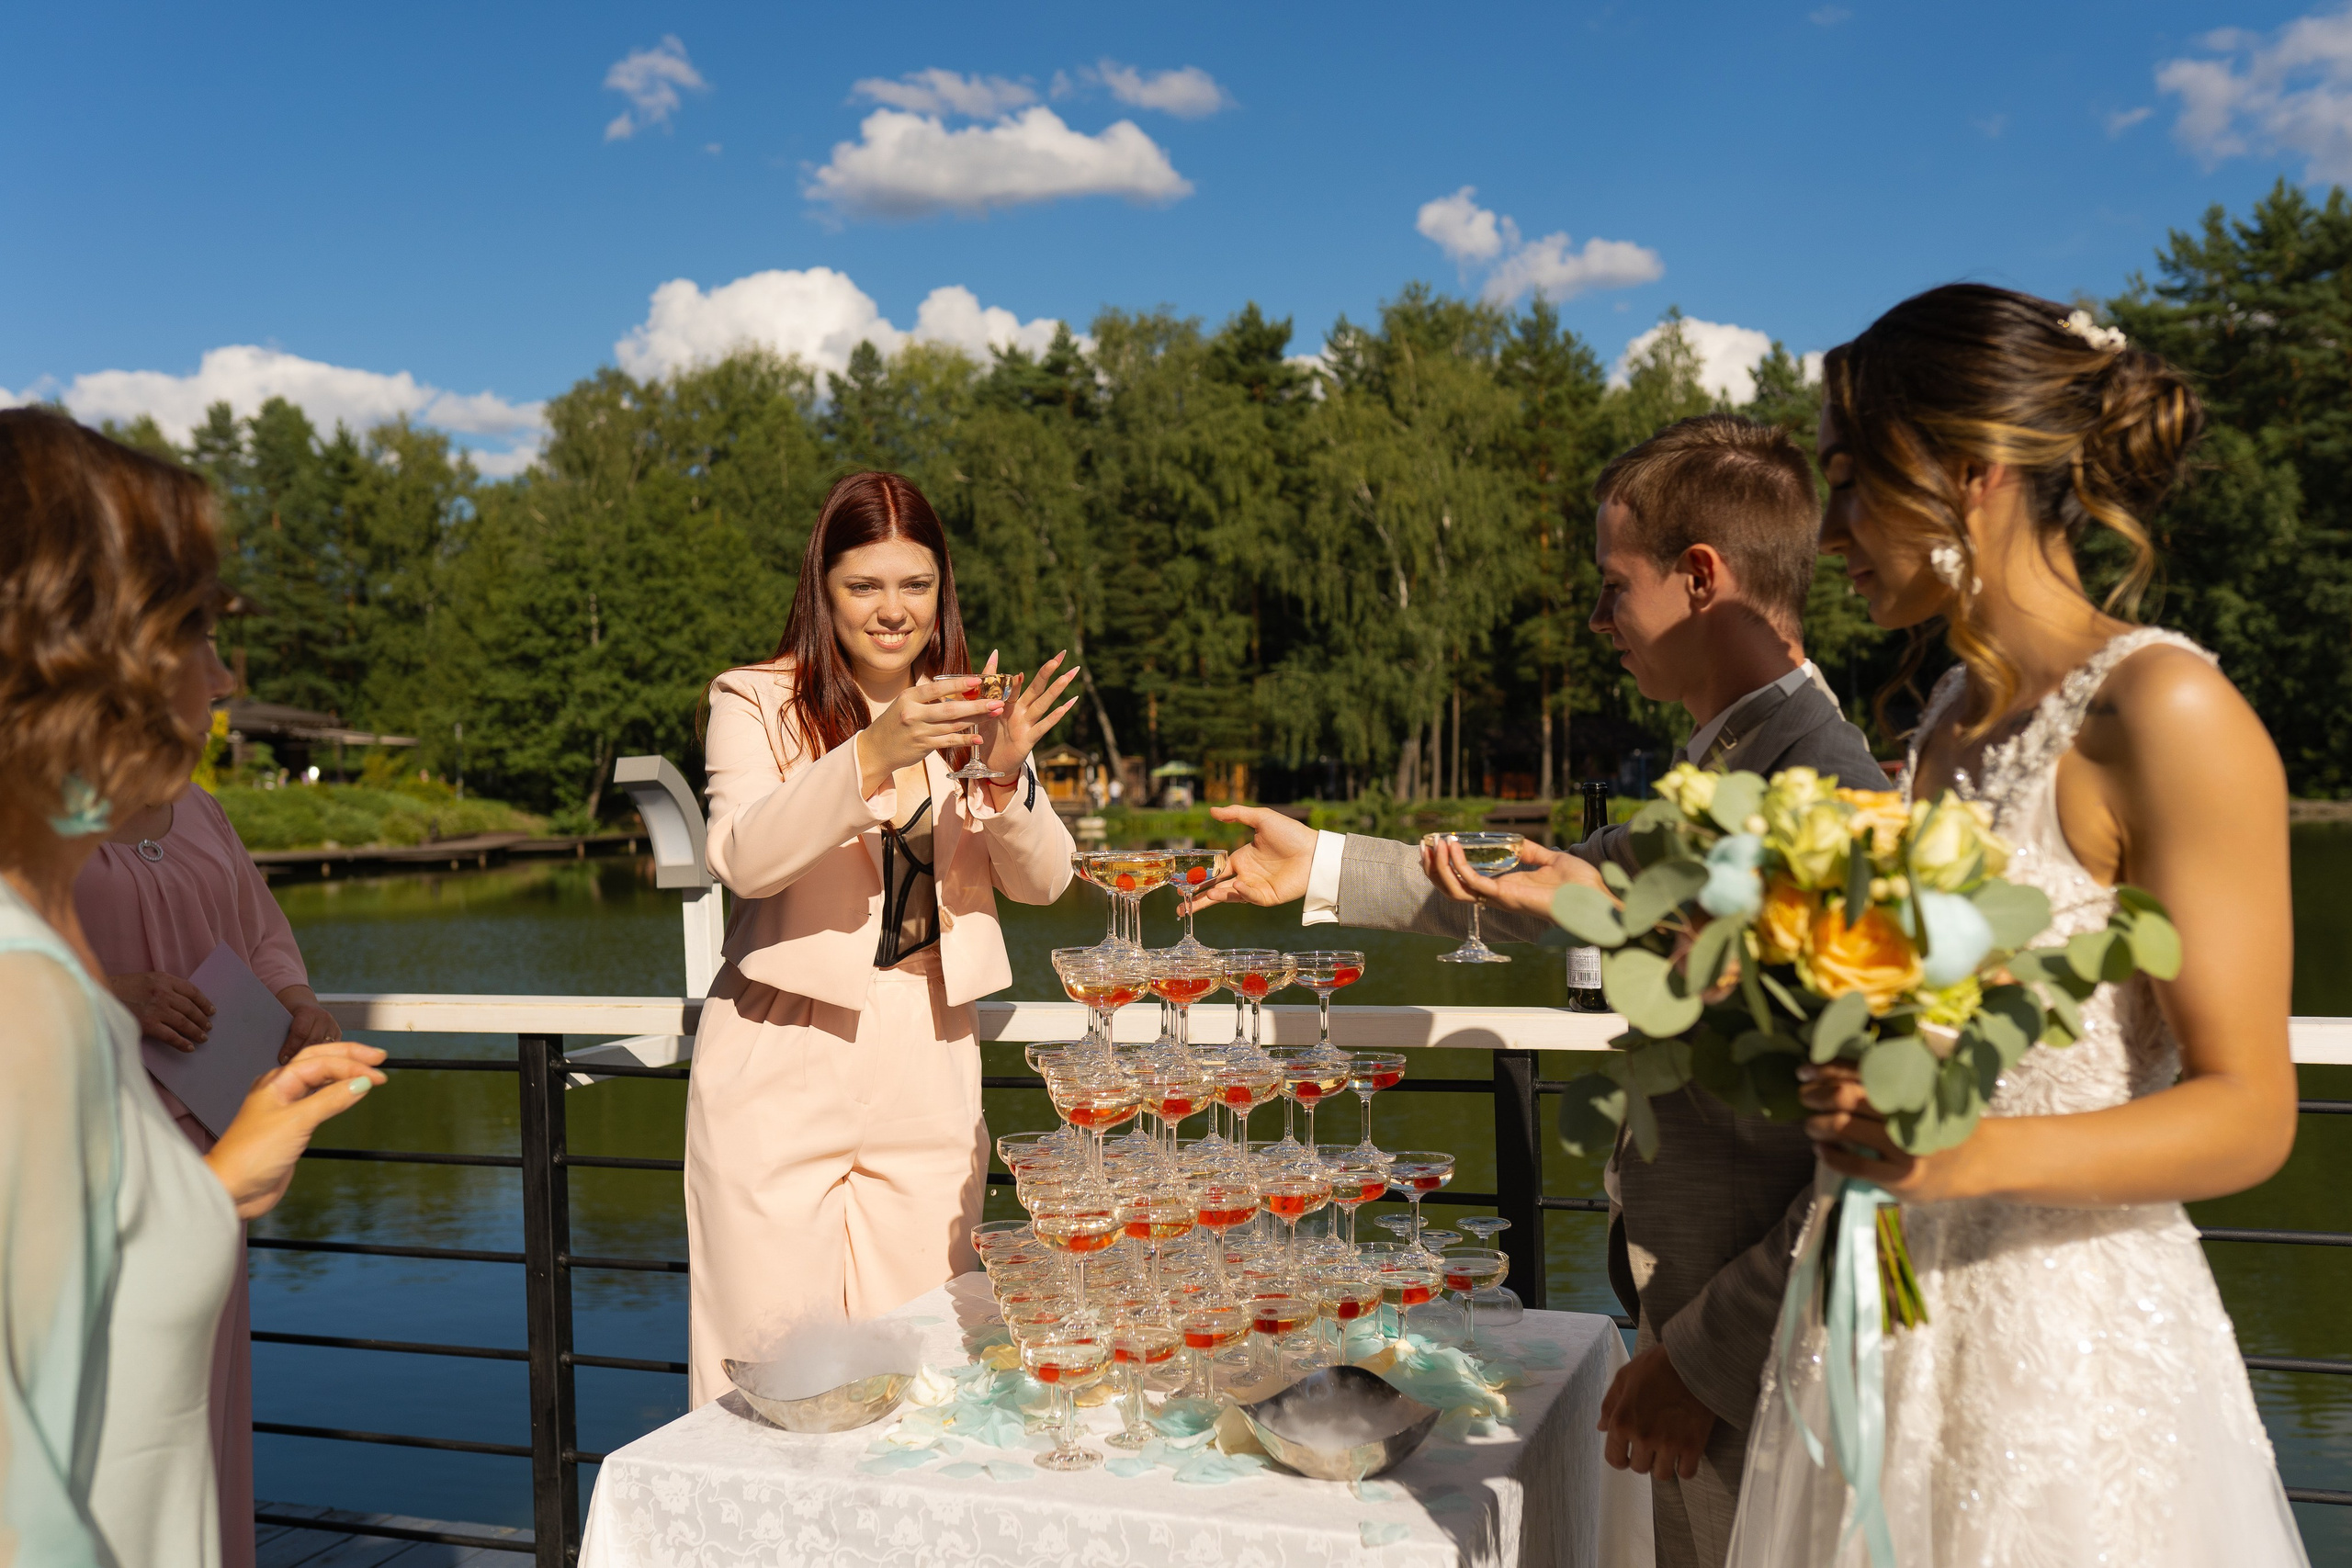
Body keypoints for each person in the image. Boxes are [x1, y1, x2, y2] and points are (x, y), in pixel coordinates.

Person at [1191, 412, 1884, 1568]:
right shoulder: (1737, 764)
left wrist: (1703, 1359)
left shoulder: (1829, 793)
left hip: (1764, 1369)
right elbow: (1557, 892)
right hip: (1707, 1347)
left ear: (1700, 578)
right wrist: (1317, 862)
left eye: (1614, 587)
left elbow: (1872, 1167)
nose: (1600, 620)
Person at [1725, 287, 2307, 1564]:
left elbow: (2253, 1107)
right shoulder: (1945, 719)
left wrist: (1959, 1155)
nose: (1829, 535)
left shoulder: (2167, 709)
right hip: (1883, 1319)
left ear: (1968, 471)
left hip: (2066, 1353)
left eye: (1852, 484)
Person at [0, 409, 387, 1565]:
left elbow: (75, 1348)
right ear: (91, 651)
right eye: (199, 630)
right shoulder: (32, 1005)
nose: (223, 676)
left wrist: (221, 1182)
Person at [684, 470, 1080, 1404]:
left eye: (915, 584)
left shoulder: (974, 712)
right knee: (766, 1376)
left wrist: (1001, 776)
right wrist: (871, 752)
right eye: (864, 585)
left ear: (943, 590)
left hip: (931, 1052)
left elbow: (1047, 879)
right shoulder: (754, 701)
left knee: (927, 1361)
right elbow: (743, 856)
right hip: (781, 1051)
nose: (891, 611)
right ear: (823, 589)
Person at [74, 704, 344, 1568]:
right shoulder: (23, 795)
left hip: (214, 1151)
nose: (219, 677)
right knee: (103, 1412)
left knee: (200, 1409)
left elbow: (259, 932)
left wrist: (295, 1003)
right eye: (195, 642)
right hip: (82, 1149)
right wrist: (112, 992)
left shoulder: (196, 801)